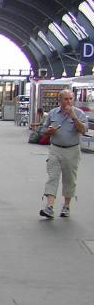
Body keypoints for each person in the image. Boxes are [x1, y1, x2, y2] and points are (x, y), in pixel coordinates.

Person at [38, 89, 88, 219]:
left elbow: (83, 130)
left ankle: (66, 206)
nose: (69, 101)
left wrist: (74, 117)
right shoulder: (53, 113)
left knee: (69, 179)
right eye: (66, 99)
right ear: (60, 100)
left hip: (72, 150)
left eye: (71, 99)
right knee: (52, 177)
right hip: (55, 149)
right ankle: (49, 206)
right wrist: (49, 131)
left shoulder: (79, 114)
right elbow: (43, 130)